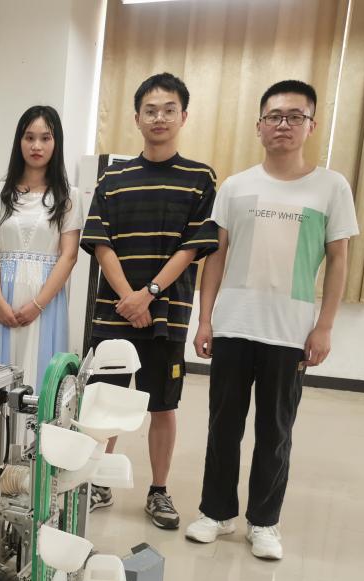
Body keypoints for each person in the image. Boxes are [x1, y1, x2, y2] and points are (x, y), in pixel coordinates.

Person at [186, 80, 358, 560]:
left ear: (311, 125)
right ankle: (216, 513)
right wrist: (205, 320)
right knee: (223, 426)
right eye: (274, 116)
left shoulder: (331, 187)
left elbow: (338, 260)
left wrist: (324, 326)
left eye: (295, 116)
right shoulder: (236, 187)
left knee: (276, 431)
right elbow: (216, 256)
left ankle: (264, 522)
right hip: (234, 324)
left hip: (290, 330)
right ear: (259, 125)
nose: (284, 124)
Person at [80, 73, 218, 529]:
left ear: (183, 116)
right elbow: (101, 243)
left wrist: (149, 295)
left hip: (167, 316)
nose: (160, 117)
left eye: (169, 109)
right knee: (105, 403)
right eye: (151, 110)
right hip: (114, 313)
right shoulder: (114, 178)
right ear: (137, 118)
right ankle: (99, 482)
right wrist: (128, 298)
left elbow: (192, 247)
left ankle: (158, 491)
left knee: (163, 405)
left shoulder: (199, 178)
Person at [0, 105, 83, 442]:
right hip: (3, 295)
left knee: (40, 373)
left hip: (45, 300)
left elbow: (68, 256)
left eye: (45, 138)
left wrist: (38, 303)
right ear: (19, 141)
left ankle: (32, 452)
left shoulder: (69, 197)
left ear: (56, 143)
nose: (36, 145)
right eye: (29, 137)